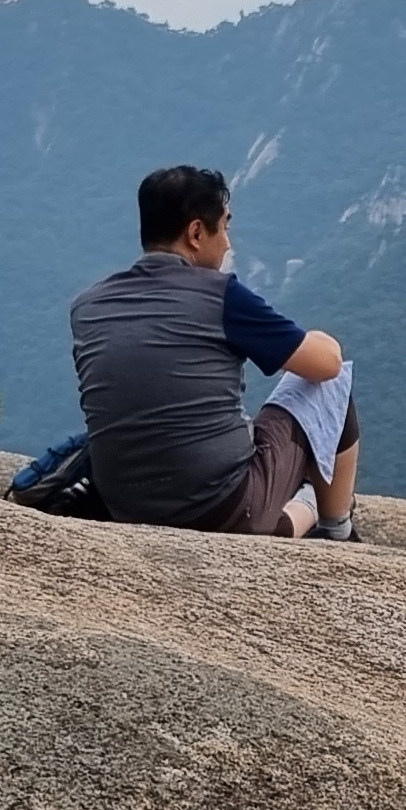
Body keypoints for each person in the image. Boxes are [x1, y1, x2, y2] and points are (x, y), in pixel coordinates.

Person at [69, 164, 361, 540]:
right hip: (222, 507)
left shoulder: (88, 306)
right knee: (328, 387)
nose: (228, 243)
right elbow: (326, 366)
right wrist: (326, 338)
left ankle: (297, 513)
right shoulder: (222, 296)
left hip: (124, 506)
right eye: (224, 226)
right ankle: (338, 530)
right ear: (195, 232)